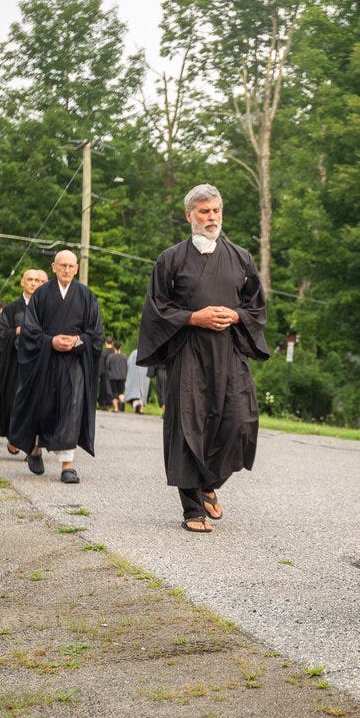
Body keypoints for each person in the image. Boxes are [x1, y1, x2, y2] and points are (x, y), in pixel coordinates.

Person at [137, 183, 269, 533]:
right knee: (188, 428)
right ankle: (192, 509)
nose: (212, 218)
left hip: (229, 351)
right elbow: (156, 309)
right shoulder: (171, 259)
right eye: (204, 211)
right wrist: (193, 317)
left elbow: (255, 306)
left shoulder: (241, 257)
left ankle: (210, 481)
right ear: (189, 216)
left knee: (241, 421)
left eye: (216, 211)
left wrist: (237, 316)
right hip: (188, 353)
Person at [9, 251, 103, 484]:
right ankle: (35, 449)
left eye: (71, 266)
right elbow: (30, 331)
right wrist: (50, 341)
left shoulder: (86, 296)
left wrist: (76, 341)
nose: (67, 270)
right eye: (62, 265)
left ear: (76, 269)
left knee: (72, 408)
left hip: (74, 363)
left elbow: (95, 333)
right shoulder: (41, 295)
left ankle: (67, 465)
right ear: (53, 267)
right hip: (45, 361)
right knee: (43, 407)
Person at [0, 269, 47, 447]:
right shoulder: (11, 309)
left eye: (37, 280)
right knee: (14, 401)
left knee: (38, 404)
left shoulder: (47, 307)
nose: (33, 283)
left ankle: (32, 445)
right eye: (29, 279)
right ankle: (14, 437)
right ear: (22, 282)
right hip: (16, 363)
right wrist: (16, 331)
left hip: (39, 363)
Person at [123, 347, 150, 414]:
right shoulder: (146, 353)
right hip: (144, 377)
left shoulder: (134, 353)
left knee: (133, 395)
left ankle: (136, 405)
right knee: (142, 394)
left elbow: (128, 363)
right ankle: (141, 409)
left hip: (133, 376)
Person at [105, 340, 128, 412]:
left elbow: (107, 366)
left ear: (114, 347)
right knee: (121, 392)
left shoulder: (111, 356)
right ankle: (122, 401)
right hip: (122, 377)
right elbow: (126, 367)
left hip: (113, 377)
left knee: (114, 393)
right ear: (120, 347)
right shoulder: (124, 356)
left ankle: (116, 408)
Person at [97, 335, 114, 408]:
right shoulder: (114, 352)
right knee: (113, 389)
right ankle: (113, 403)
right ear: (112, 343)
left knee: (104, 389)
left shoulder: (103, 353)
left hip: (105, 374)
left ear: (105, 342)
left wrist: (99, 374)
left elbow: (101, 365)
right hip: (114, 373)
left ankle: (104, 404)